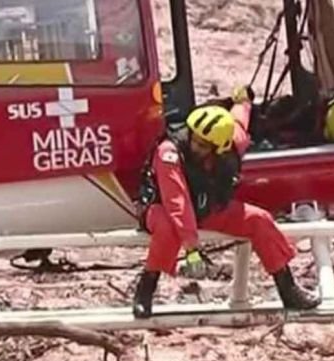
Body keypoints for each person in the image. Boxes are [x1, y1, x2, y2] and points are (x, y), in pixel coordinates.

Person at [132, 86, 321, 318]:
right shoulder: (169, 153)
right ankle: (145, 290)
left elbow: (239, 121)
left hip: (208, 208)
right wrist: (191, 248)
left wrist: (243, 100)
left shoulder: (233, 143)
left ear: (218, 149)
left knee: (259, 219)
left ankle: (287, 288)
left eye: (203, 145)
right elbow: (176, 201)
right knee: (167, 227)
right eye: (194, 138)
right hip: (161, 209)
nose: (194, 145)